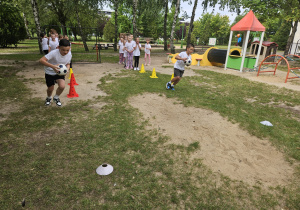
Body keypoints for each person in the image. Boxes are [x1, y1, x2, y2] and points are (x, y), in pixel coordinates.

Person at [39, 39, 72, 107]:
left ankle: (56, 98)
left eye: (67, 50)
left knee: (62, 86)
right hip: (49, 72)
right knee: (50, 88)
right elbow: (41, 60)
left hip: (60, 72)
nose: (65, 52)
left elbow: (68, 63)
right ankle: (49, 98)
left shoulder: (69, 54)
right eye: (63, 50)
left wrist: (67, 69)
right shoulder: (53, 53)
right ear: (58, 47)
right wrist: (53, 67)